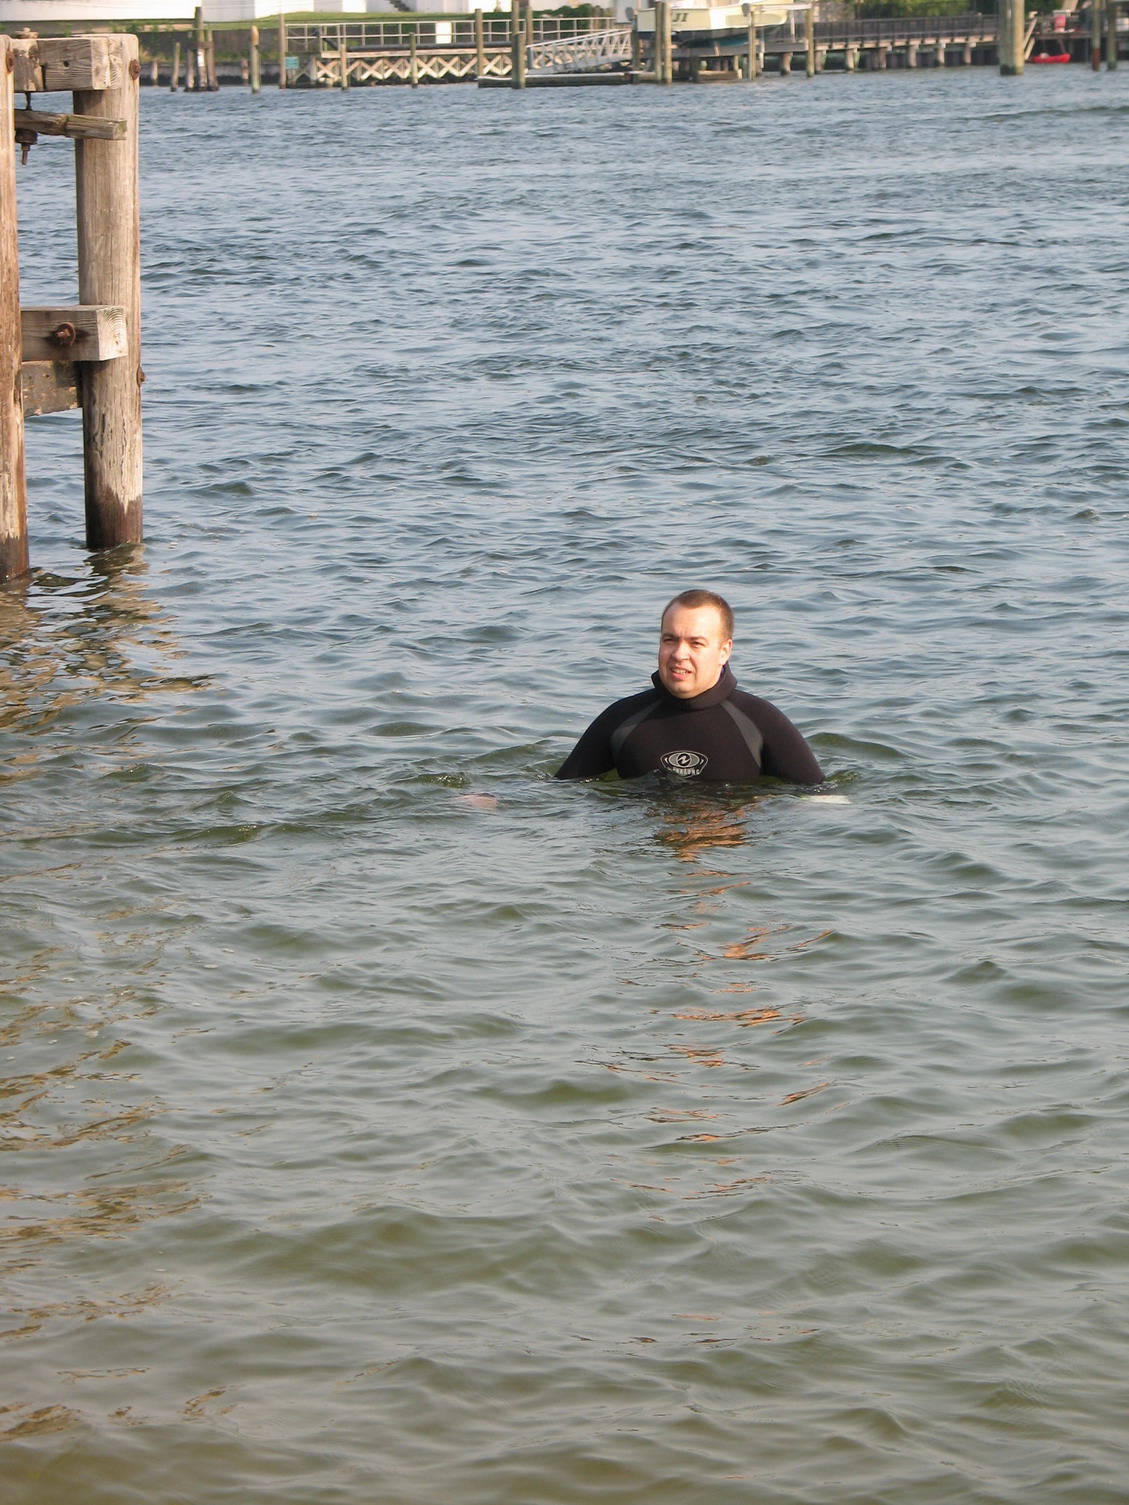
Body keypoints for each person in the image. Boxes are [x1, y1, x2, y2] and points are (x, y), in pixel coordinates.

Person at [555, 590, 823, 784]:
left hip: (728, 853)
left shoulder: (761, 721)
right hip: (647, 853)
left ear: (724, 651)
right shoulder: (621, 720)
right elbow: (558, 795)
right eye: (670, 640)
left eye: (696, 643)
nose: (679, 654)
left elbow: (822, 804)